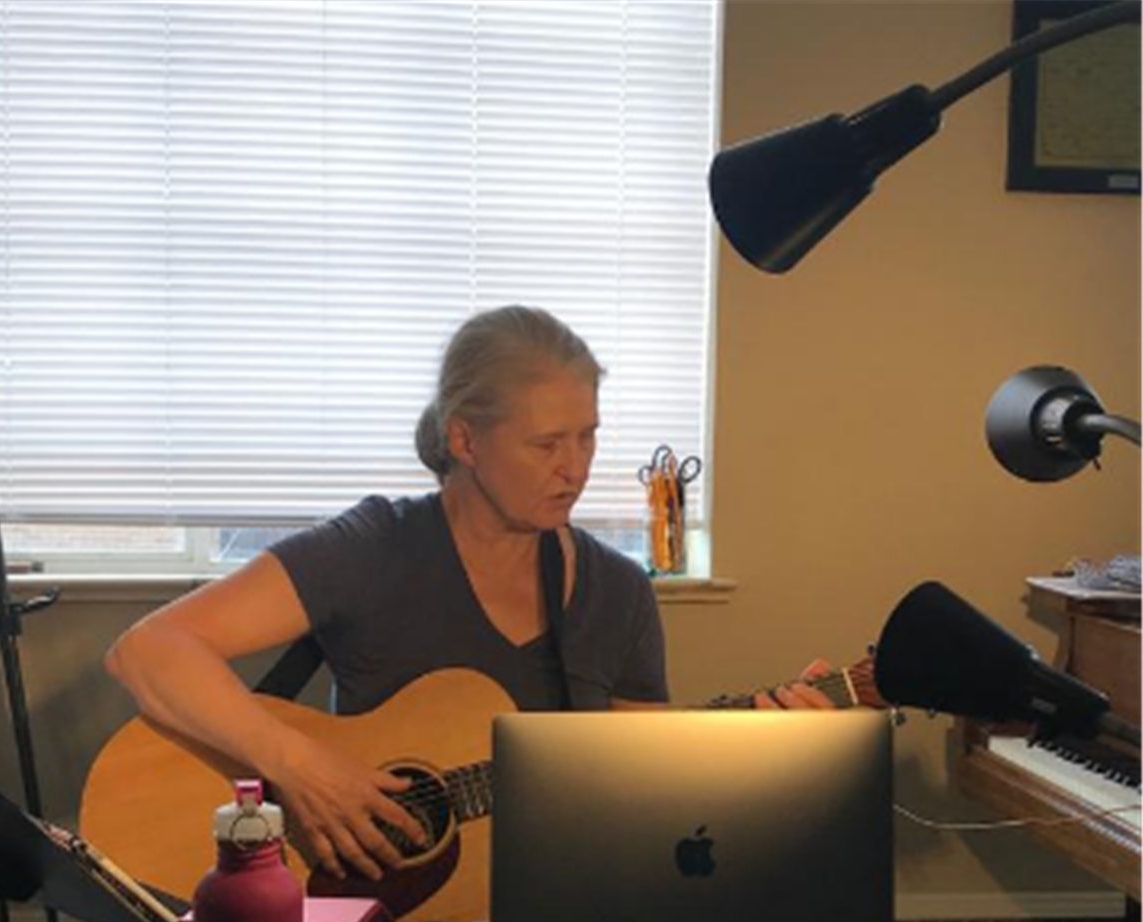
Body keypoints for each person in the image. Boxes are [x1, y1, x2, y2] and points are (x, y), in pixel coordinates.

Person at [105, 305, 830, 891]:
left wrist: (760, 755)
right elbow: (147, 652)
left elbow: (643, 790)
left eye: (588, 438)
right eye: (546, 444)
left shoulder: (617, 591)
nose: (574, 468)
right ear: (465, 440)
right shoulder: (375, 547)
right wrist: (302, 770)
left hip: (542, 918)